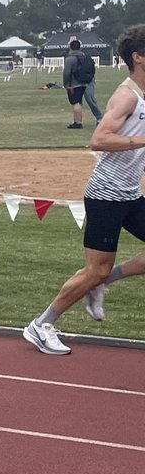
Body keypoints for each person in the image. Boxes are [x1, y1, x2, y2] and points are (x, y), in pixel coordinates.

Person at [23, 26, 145, 354]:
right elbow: (99, 139)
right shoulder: (127, 95)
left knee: (101, 272)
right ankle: (42, 324)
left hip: (131, 193)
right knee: (95, 269)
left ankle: (104, 281)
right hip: (106, 194)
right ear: (138, 57)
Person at [63, 38, 102, 129]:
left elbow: (67, 73)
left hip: (76, 83)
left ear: (70, 47)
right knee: (91, 100)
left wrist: (66, 84)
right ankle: (99, 118)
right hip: (89, 80)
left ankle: (78, 121)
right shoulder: (86, 56)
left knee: (76, 102)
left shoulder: (70, 58)